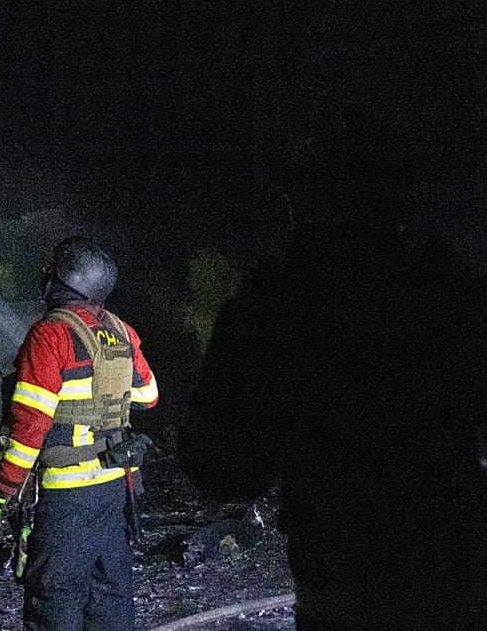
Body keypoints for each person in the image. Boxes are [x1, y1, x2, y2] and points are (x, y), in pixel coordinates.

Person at [179, 113, 487, 630]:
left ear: (297, 200)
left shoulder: (271, 308)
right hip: (457, 580)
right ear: (405, 197)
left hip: (343, 587)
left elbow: (223, 467)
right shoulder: (453, 293)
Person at [0, 237, 159, 631]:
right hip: (116, 486)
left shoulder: (50, 335)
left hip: (67, 497)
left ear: (65, 280)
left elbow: (30, 429)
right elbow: (149, 396)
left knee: (54, 598)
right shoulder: (122, 329)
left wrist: (2, 493)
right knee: (110, 596)